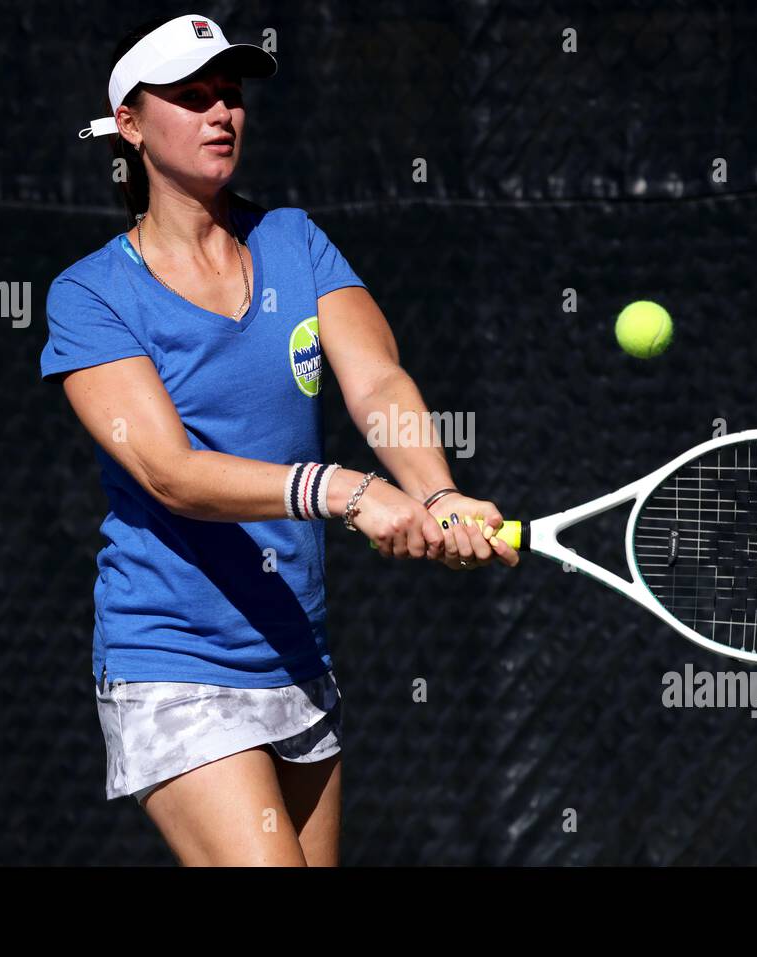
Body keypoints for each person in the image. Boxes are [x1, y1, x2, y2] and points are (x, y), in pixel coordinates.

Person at [40, 14, 517, 866]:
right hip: (172, 658)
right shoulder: (91, 296)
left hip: (296, 652)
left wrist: (437, 491)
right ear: (131, 125)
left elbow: (376, 382)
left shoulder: (294, 241)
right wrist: (346, 490)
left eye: (231, 94)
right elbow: (171, 473)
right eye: (192, 97)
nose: (221, 112)